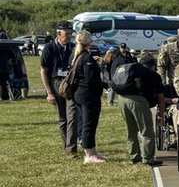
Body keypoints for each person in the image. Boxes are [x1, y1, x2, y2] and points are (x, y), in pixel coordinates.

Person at [114, 49, 166, 166]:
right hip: (138, 101)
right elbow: (160, 97)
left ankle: (134, 156)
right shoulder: (153, 76)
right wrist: (161, 114)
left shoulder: (133, 71)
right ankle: (148, 158)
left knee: (131, 129)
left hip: (122, 99)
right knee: (146, 130)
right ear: (152, 66)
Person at [40, 20, 78, 156]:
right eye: (66, 34)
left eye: (70, 33)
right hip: (56, 83)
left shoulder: (73, 48)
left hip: (70, 83)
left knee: (73, 116)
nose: (68, 36)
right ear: (58, 33)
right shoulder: (49, 48)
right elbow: (43, 71)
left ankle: (71, 149)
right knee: (63, 118)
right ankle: (66, 144)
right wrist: (49, 92)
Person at [68, 30, 106, 163]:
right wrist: (103, 85)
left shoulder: (76, 56)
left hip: (78, 93)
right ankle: (89, 155)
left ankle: (92, 151)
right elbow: (91, 79)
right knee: (89, 124)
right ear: (88, 41)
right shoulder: (86, 58)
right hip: (87, 95)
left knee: (85, 122)